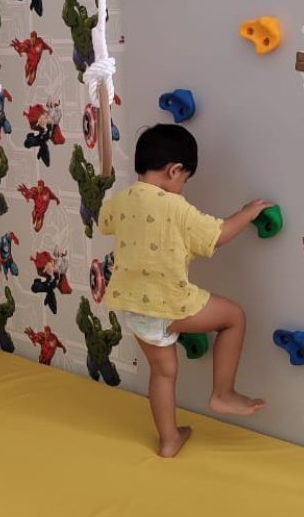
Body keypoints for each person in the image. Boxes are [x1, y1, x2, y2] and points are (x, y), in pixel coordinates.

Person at [98, 124, 270, 457]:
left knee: (163, 373)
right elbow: (216, 235)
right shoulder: (175, 207)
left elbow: (105, 222)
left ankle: (169, 440)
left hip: (134, 309)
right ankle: (223, 393)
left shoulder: (121, 200)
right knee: (234, 317)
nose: (183, 187)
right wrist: (246, 213)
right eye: (185, 180)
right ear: (174, 170)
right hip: (170, 305)